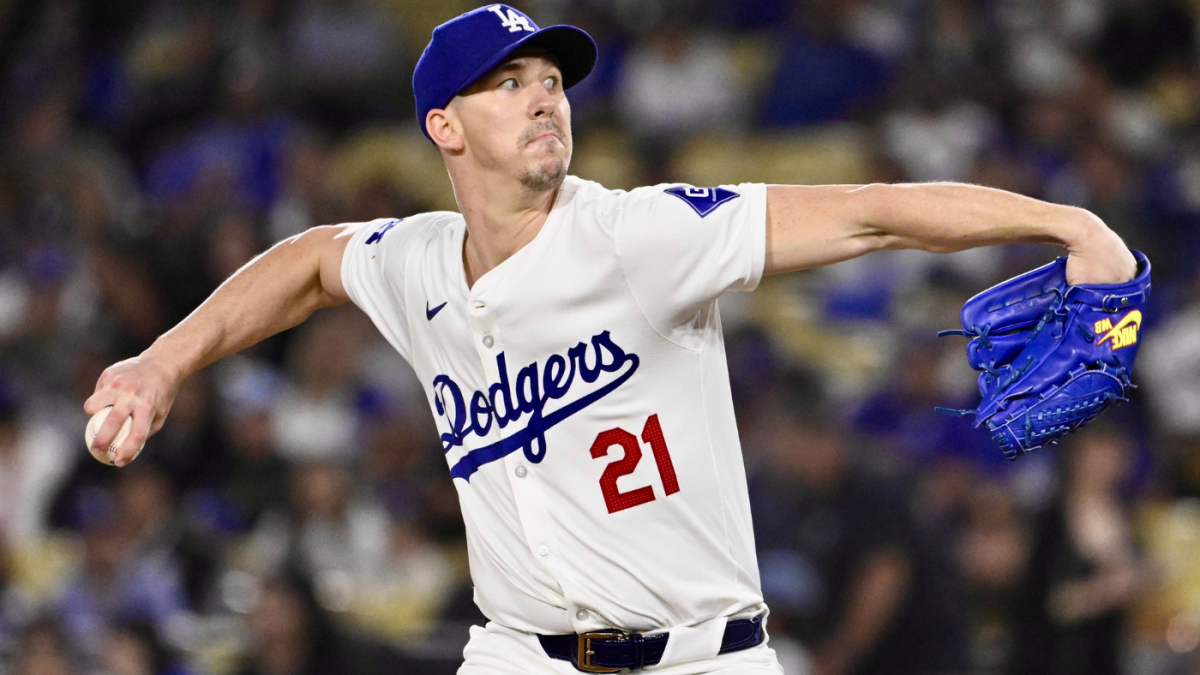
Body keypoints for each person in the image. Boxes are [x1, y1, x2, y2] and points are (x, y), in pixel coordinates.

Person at [85, 5, 1136, 674]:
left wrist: (1065, 224)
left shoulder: (638, 233)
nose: (545, 96)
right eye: (510, 83)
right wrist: (162, 360)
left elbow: (869, 210)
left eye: (552, 80)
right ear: (443, 128)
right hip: (519, 658)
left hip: (700, 661)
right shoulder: (415, 263)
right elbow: (312, 258)